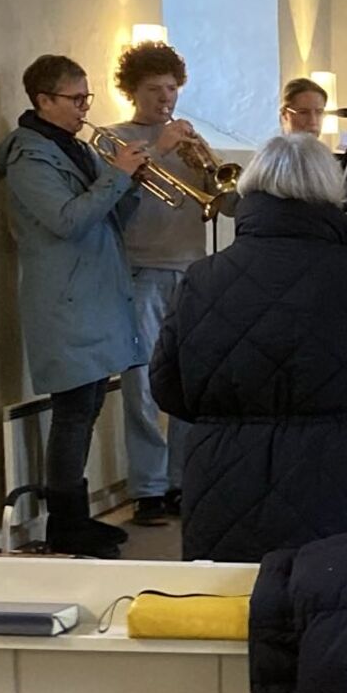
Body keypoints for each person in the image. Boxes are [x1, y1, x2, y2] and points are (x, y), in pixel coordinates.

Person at [149, 134, 347, 563]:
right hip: (345, 475)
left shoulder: (201, 278)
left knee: (237, 597)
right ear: (330, 193)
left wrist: (235, 418)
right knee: (345, 594)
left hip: (227, 479)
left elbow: (167, 387)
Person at [0, 54, 147, 557]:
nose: (84, 108)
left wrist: (132, 181)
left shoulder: (75, 148)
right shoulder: (29, 157)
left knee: (90, 405)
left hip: (94, 294)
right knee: (73, 412)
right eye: (75, 99)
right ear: (44, 100)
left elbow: (112, 216)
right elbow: (66, 220)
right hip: (64, 298)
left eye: (86, 97)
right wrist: (116, 176)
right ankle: (66, 524)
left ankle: (76, 519)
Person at [108, 40, 214, 526]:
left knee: (190, 382)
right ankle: (148, 488)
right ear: (133, 91)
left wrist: (213, 173)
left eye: (171, 88)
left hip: (192, 270)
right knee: (143, 386)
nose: (165, 98)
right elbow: (111, 197)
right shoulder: (116, 138)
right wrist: (161, 146)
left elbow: (225, 201)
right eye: (154, 89)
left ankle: (181, 482)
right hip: (141, 270)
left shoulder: (191, 141)